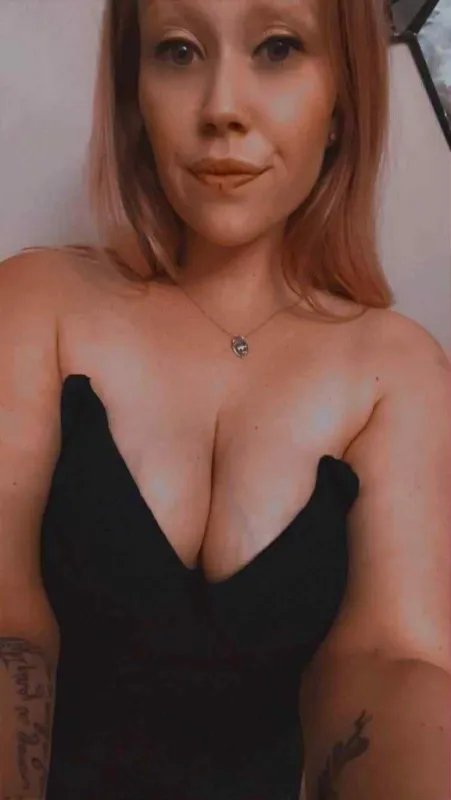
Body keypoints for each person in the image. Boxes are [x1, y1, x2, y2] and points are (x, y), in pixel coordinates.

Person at [0, 0, 450, 798]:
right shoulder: (36, 302)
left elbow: (392, 664)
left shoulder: (399, 371)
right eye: (177, 51)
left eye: (277, 48)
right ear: (134, 91)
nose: (221, 109)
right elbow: (8, 626)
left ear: (343, 95)